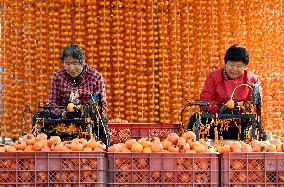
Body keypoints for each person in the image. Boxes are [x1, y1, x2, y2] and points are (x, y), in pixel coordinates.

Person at [33, 44, 109, 146]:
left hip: (87, 117)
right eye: (68, 64)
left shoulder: (95, 77)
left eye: (75, 63)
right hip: (63, 117)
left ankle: (101, 148)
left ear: (82, 62)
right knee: (39, 116)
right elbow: (52, 103)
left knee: (101, 121)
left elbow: (102, 106)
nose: (72, 68)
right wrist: (63, 113)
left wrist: (85, 112)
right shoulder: (58, 77)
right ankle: (42, 146)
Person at [188, 44, 260, 140]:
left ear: (245, 66)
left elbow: (255, 106)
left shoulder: (252, 79)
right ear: (225, 63)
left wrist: (239, 108)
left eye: (239, 66)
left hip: (239, 123)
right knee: (196, 118)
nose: (234, 69)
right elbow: (205, 101)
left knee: (256, 125)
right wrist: (220, 109)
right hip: (215, 122)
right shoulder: (214, 77)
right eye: (231, 65)